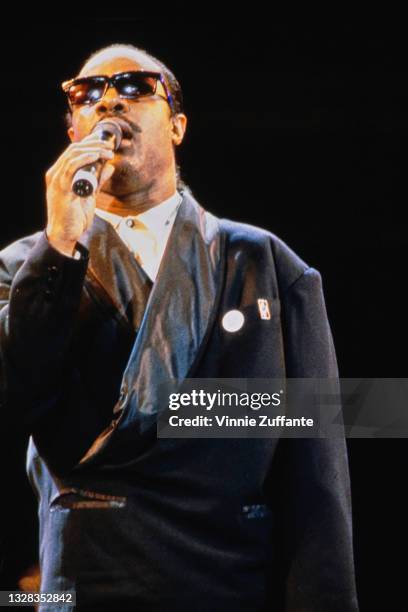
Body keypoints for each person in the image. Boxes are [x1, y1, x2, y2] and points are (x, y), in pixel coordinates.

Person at [0, 44, 359, 611]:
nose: (110, 98)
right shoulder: (23, 268)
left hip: (228, 583)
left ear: (178, 125)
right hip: (86, 583)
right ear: (73, 131)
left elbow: (317, 480)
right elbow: (16, 396)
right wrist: (60, 244)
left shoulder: (267, 264)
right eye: (86, 94)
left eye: (137, 86)